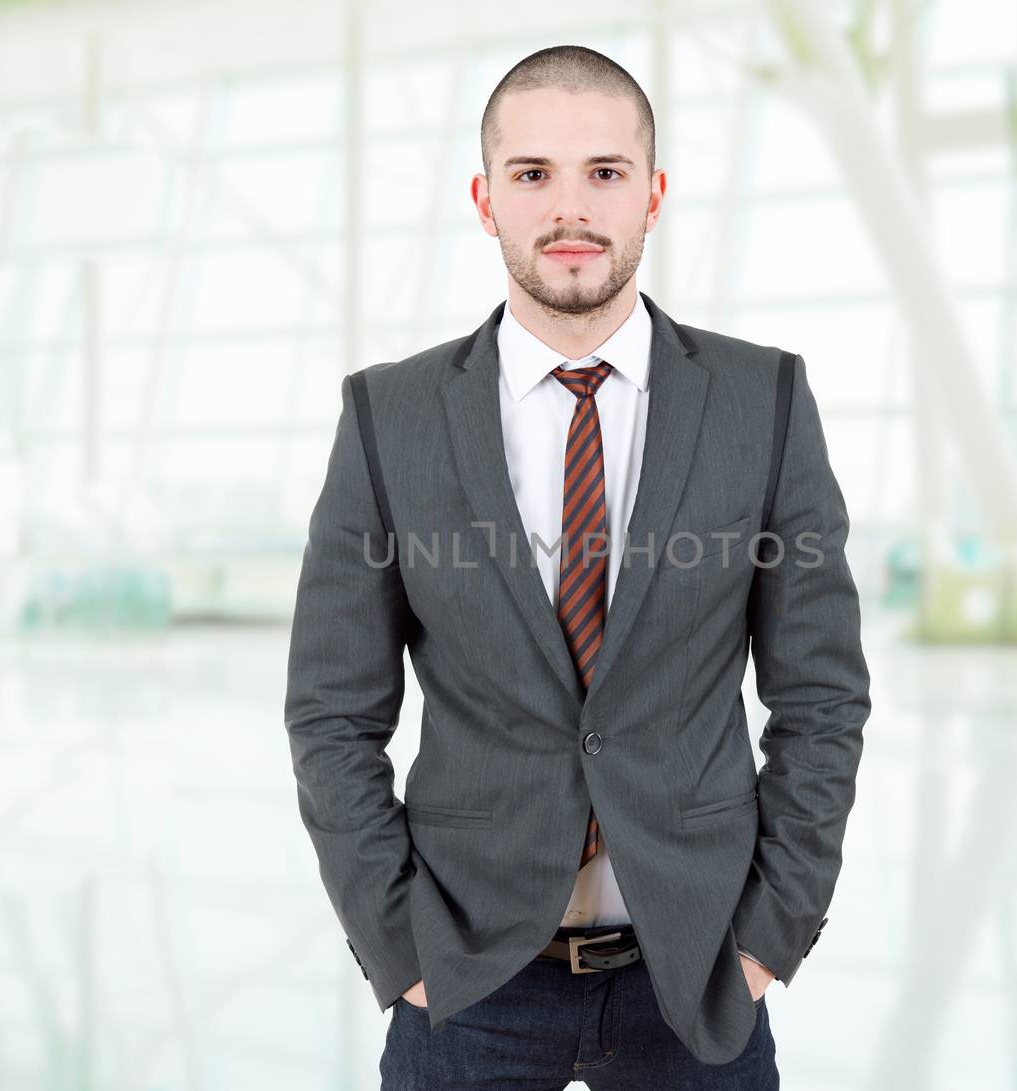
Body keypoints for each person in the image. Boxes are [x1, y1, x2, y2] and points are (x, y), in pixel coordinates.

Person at [283, 43, 870, 1090]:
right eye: (532, 174)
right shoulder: (388, 417)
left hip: (696, 977)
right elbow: (331, 710)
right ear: (484, 197)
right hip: (466, 983)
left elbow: (820, 695)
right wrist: (402, 951)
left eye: (603, 173)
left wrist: (768, 938)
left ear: (651, 193)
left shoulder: (762, 401)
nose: (570, 208)